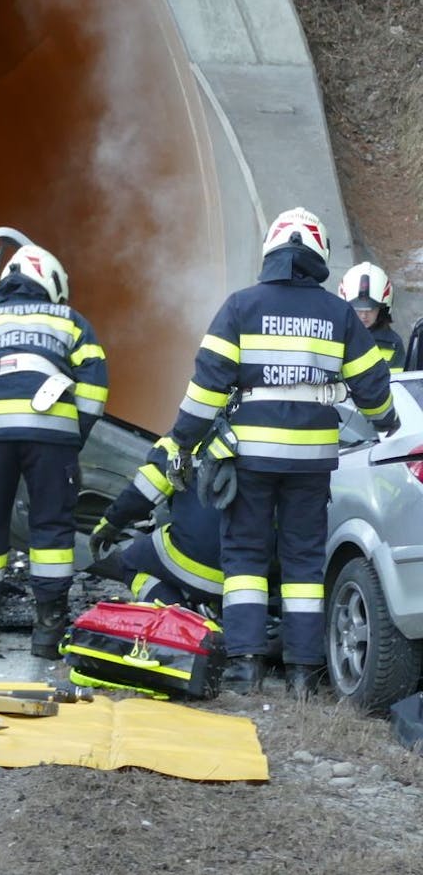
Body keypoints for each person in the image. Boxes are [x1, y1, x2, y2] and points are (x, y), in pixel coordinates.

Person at [166, 207, 397, 695]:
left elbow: (206, 386)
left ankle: (246, 667)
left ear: (271, 252)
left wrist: (183, 442)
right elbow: (372, 385)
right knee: (304, 564)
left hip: (251, 458)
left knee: (246, 559)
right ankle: (303, 673)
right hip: (311, 462)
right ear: (319, 257)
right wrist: (389, 424)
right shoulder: (338, 313)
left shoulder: (240, 306)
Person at [0, 244, 108, 658]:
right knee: (51, 528)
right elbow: (94, 384)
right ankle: (48, 632)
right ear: (52, 284)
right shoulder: (71, 321)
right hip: (50, 429)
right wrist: (75, 433)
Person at [88, 437, 224, 613]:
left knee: (131, 561)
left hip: (190, 565)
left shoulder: (193, 435)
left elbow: (144, 491)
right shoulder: (264, 447)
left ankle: (180, 619)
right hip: (245, 583)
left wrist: (110, 524)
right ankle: (214, 613)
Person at [338, 262, 404, 369]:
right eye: (358, 309)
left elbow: (395, 383)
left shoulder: (393, 344)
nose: (364, 316)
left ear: (383, 309)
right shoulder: (335, 336)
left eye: (371, 309)